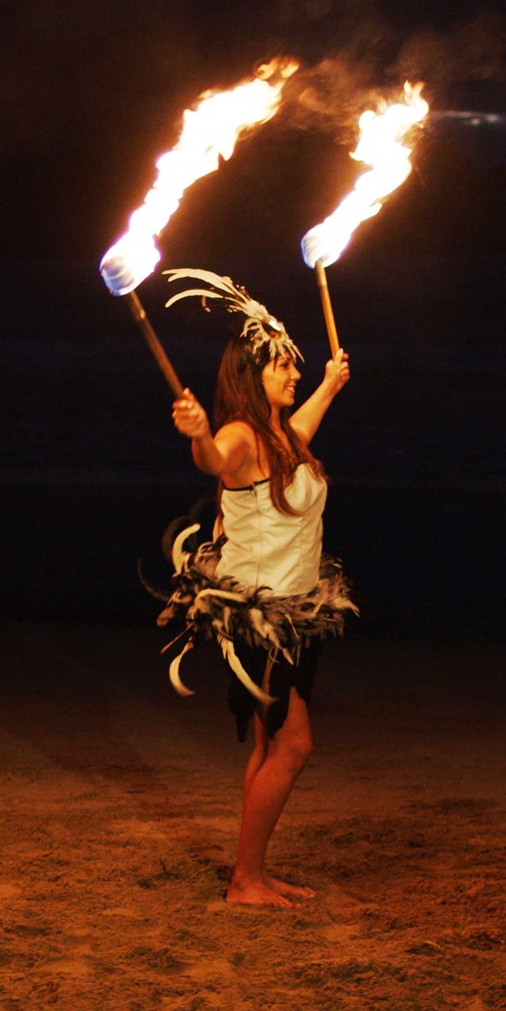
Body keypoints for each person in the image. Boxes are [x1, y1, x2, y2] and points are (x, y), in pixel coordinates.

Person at [154, 270, 352, 909]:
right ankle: (246, 880)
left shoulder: (280, 437)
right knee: (295, 745)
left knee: (272, 744)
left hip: (296, 614)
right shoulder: (240, 435)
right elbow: (216, 460)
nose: (293, 375)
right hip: (262, 619)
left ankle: (252, 874)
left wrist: (329, 383)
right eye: (284, 368)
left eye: (295, 367)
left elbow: (300, 433)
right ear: (251, 373)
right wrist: (197, 434)